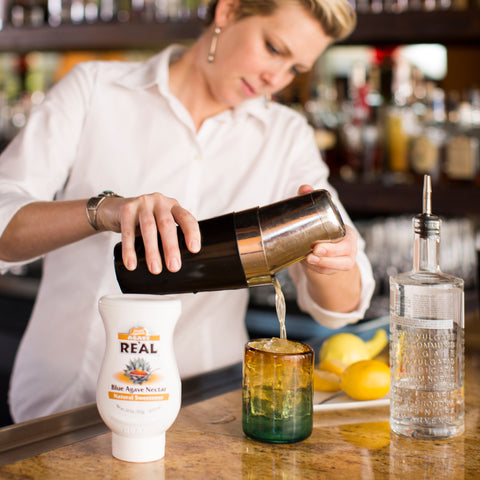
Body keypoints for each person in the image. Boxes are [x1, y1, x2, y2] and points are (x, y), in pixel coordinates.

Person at [0, 0, 375, 423]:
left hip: (204, 410)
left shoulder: (285, 137)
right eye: (273, 47)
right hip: (63, 400)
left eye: (295, 69)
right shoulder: (96, 89)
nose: (276, 77)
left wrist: (334, 261)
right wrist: (103, 211)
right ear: (228, 12)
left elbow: (342, 307)